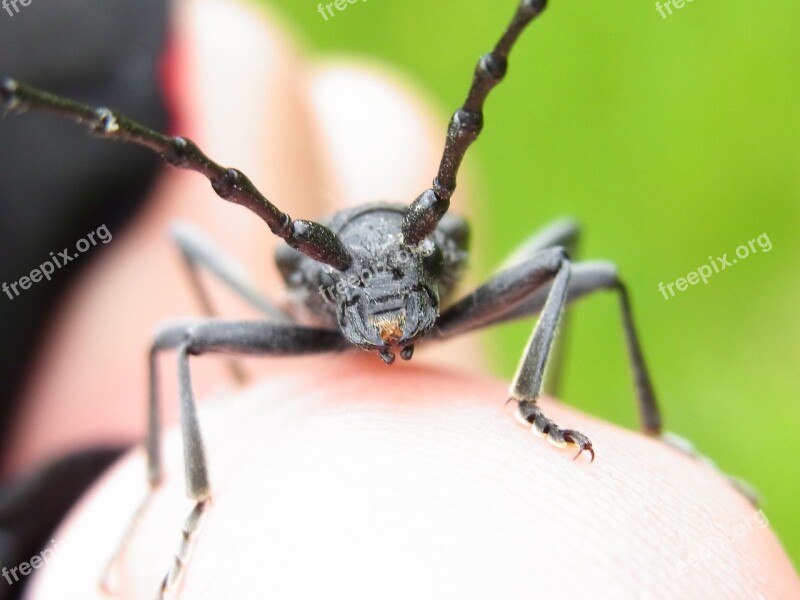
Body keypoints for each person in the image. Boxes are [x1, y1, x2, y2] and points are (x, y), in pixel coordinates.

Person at [11, 0, 798, 597]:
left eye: (403, 280)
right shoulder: (309, 276)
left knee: (568, 264)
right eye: (365, 292)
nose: (388, 314)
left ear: (431, 257)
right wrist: (168, 487)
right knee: (180, 330)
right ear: (321, 279)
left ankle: (549, 407)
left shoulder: (428, 252)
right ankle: (182, 495)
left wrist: (536, 405)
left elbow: (559, 267)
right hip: (302, 331)